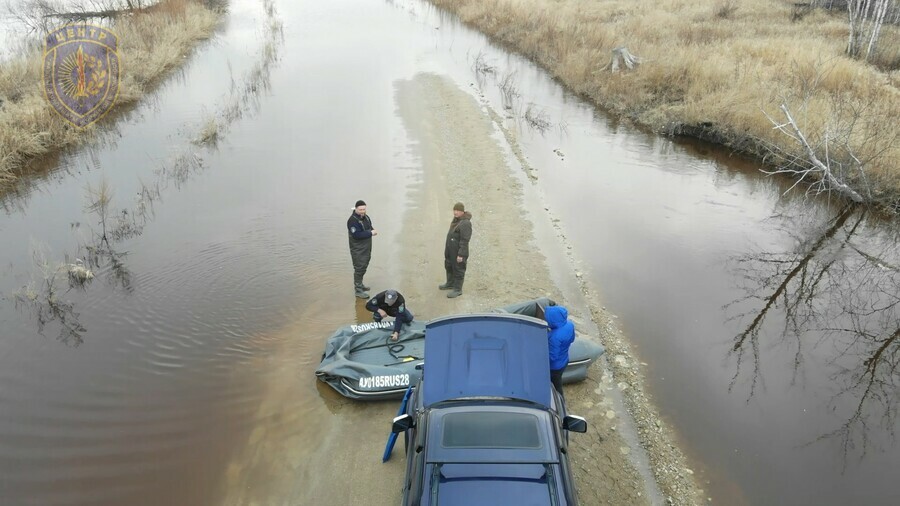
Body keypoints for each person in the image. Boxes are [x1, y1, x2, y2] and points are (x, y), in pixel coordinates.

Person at [439, 202, 472, 298]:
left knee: (459, 270)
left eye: (458, 210)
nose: (455, 212)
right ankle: (450, 283)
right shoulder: (456, 220)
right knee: (448, 265)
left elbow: (465, 240)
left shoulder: (465, 223)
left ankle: (458, 289)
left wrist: (461, 254)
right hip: (450, 250)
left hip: (458, 251)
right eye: (454, 210)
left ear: (462, 211)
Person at [347, 200, 377, 298]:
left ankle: (360, 284)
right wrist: (370, 233)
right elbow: (356, 235)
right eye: (360, 209)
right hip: (357, 249)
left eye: (364, 209)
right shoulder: (352, 221)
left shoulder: (366, 217)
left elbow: (369, 226)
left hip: (366, 247)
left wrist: (372, 229)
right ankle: (358, 290)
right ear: (355, 209)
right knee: (359, 268)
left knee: (364, 265)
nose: (362, 211)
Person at [546, 305, 576, 396]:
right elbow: (572, 339)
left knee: (556, 385)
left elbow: (552, 357)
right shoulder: (569, 324)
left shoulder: (554, 337)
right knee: (558, 380)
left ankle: (560, 401)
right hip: (564, 359)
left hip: (555, 367)